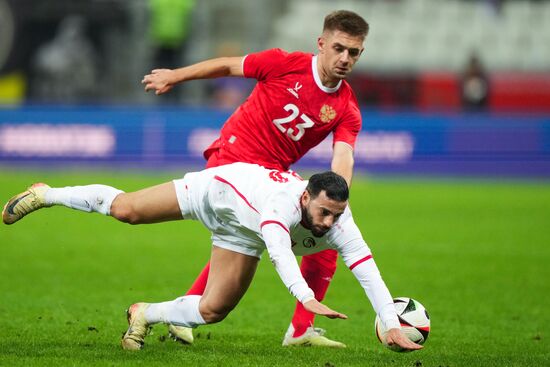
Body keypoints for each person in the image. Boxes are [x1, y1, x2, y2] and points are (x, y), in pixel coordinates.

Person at [1, 163, 423, 353]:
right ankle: (46, 194)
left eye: (336, 215)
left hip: (240, 230)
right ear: (306, 196)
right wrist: (305, 295)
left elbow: (368, 271)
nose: (329, 223)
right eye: (323, 212)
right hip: (214, 191)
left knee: (213, 309)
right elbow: (278, 248)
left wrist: (389, 324)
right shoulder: (282, 203)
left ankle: (144, 313)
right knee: (127, 210)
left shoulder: (341, 222)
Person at [140, 9, 367, 347]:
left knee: (322, 234)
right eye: (339, 48)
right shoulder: (284, 63)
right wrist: (175, 76)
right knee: (258, 236)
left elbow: (343, 155)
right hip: (233, 161)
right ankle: (183, 313)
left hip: (271, 175)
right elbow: (228, 65)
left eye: (354, 52)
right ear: (321, 44)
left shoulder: (346, 107)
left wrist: (336, 204)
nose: (345, 58)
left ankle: (299, 330)